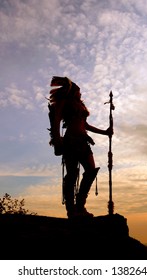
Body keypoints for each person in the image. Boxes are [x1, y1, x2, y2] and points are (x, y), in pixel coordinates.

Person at [48, 76, 113, 218]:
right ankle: (72, 210)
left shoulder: (81, 105)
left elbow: (86, 126)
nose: (80, 93)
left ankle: (80, 206)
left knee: (90, 170)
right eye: (78, 91)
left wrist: (105, 132)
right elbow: (57, 120)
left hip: (83, 141)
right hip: (70, 141)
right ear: (72, 91)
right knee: (72, 175)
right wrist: (58, 139)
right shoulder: (64, 102)